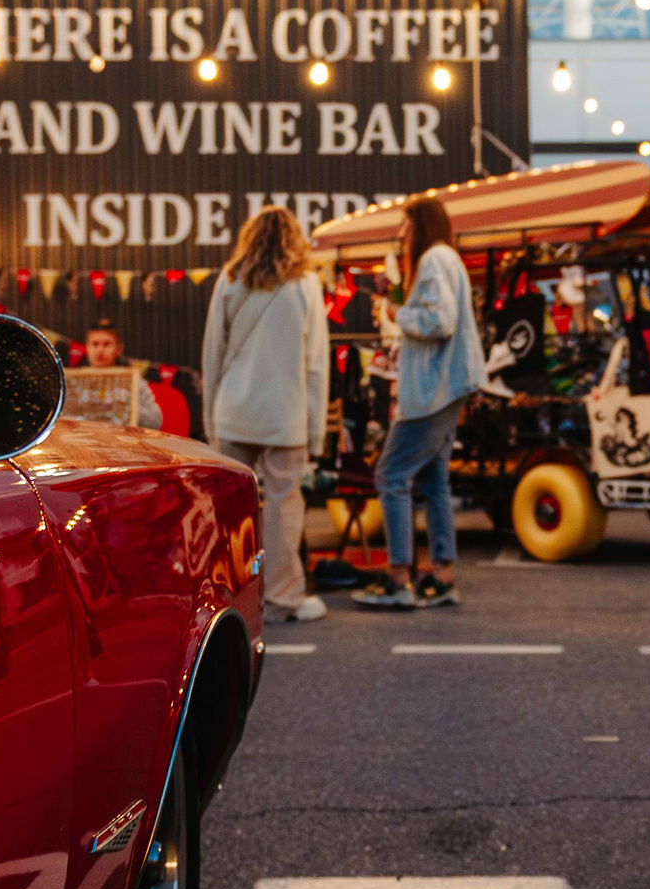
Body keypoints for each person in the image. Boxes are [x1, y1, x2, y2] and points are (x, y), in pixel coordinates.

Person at [201, 206, 331, 624]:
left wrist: (209, 422)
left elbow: (212, 357)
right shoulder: (307, 285)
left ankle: (227, 598)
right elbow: (316, 365)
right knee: (283, 508)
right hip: (285, 415)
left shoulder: (230, 279)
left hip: (234, 412)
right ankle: (281, 599)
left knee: (231, 513)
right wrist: (316, 433)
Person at [356, 196, 478, 609]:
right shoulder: (451, 259)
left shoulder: (432, 261)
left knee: (391, 473)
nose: (401, 236)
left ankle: (398, 577)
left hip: (432, 391)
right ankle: (442, 574)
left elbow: (437, 321)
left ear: (420, 227)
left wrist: (396, 312)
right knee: (433, 481)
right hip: (449, 387)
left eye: (405, 228)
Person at [81, 321, 164, 429]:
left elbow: (155, 422)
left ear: (118, 349)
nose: (100, 350)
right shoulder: (74, 382)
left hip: (123, 442)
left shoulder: (133, 381)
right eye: (95, 344)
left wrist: (128, 406)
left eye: (107, 344)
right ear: (87, 347)